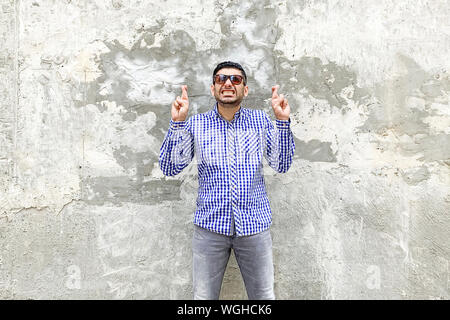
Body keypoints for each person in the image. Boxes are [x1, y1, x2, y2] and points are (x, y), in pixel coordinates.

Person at [159, 61, 295, 300]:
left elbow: (281, 164)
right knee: (203, 298)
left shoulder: (261, 122)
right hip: (210, 228)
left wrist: (282, 121)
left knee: (263, 297)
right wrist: (177, 123)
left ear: (245, 89)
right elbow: (171, 167)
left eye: (236, 79)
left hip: (254, 226)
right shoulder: (196, 124)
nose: (228, 84)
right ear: (213, 89)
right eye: (221, 79)